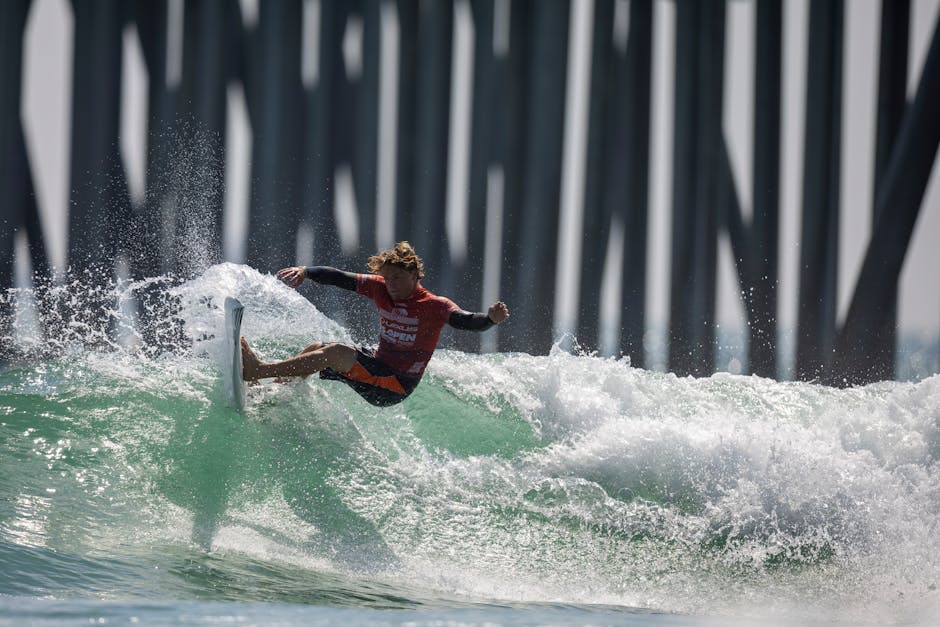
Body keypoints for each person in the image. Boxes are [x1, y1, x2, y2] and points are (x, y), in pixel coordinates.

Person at [240, 241, 509, 407]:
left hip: (395, 384)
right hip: (379, 364)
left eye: (397, 278)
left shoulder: (434, 305)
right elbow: (340, 277)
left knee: (335, 352)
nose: (390, 284)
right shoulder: (380, 287)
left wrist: (489, 320)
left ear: (415, 275)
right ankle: (271, 393)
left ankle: (258, 371)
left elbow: (465, 321)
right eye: (387, 278)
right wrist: (306, 272)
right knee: (316, 348)